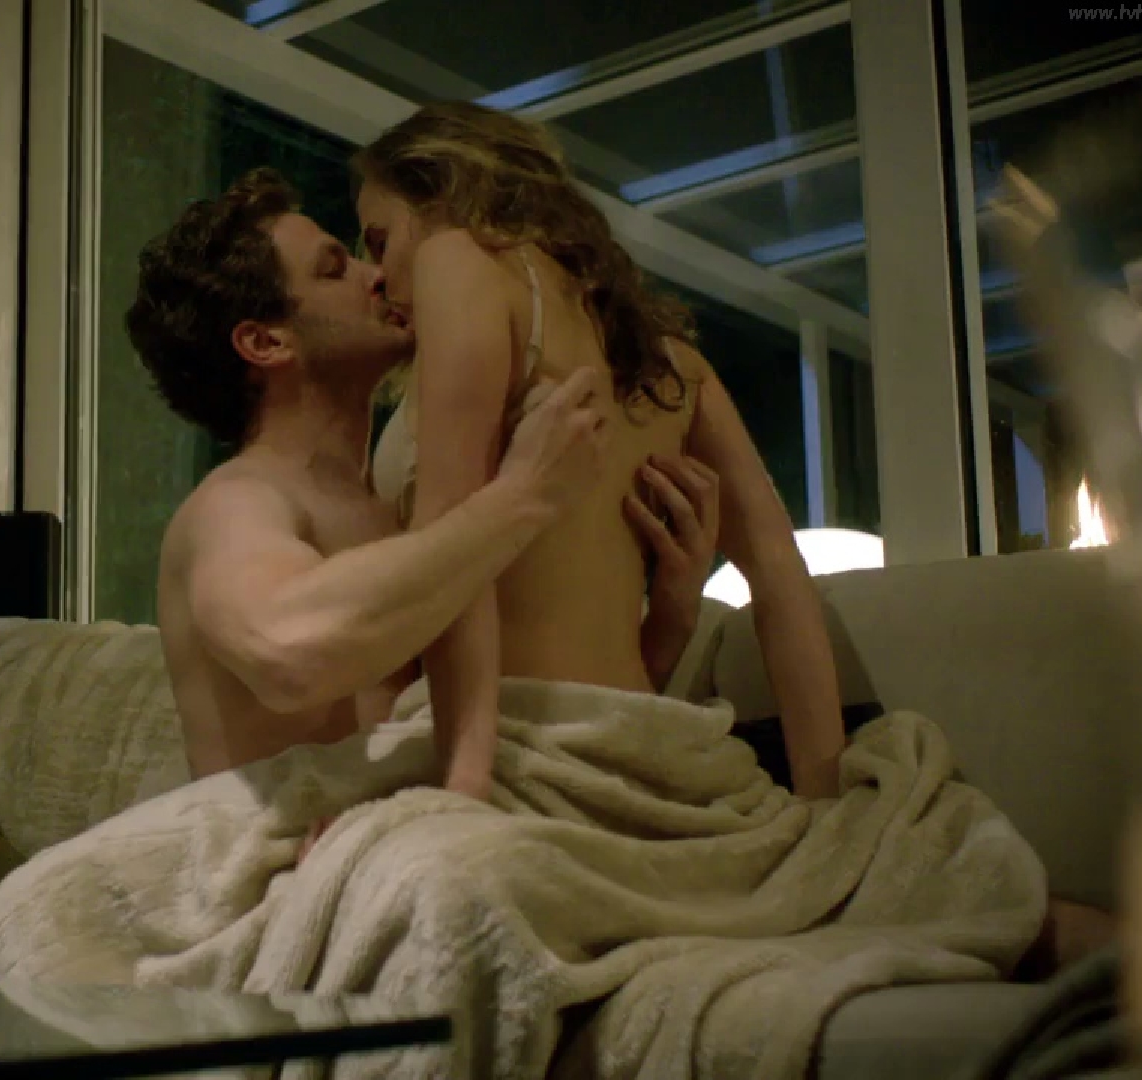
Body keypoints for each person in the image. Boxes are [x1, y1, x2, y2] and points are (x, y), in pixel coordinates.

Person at [124, 167, 721, 786]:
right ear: (265, 343)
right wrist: (522, 497)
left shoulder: (396, 514)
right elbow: (288, 652)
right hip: (290, 845)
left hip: (404, 828)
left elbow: (519, 721)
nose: (377, 275)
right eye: (334, 270)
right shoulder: (236, 503)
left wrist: (673, 613)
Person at [352, 101, 846, 800]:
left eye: (379, 241)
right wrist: (824, 793)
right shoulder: (673, 369)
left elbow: (448, 550)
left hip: (512, 749)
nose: (376, 274)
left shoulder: (456, 260)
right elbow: (780, 575)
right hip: (650, 751)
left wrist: (456, 787)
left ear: (443, 192)